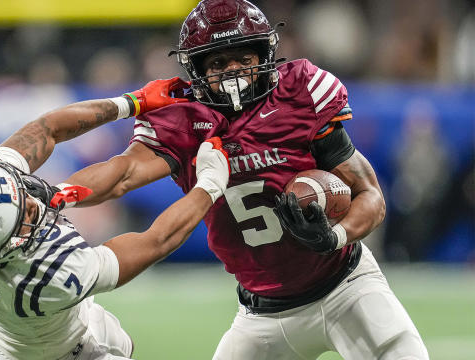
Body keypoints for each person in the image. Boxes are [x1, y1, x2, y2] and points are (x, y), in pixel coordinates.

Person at [52, 1, 430, 359]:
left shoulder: (300, 92)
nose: (233, 71)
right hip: (261, 315)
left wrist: (334, 236)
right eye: (218, 62)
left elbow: (371, 196)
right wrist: (57, 195)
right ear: (198, 68)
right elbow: (121, 174)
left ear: (264, 56)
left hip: (347, 288)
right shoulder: (184, 119)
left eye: (243, 58)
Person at [0, 84, 230, 360]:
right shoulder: (47, 279)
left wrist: (131, 102)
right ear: (2, 251)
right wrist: (210, 185)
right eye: (22, 215)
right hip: (63, 352)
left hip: (40, 329)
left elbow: (48, 128)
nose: (34, 207)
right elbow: (156, 241)